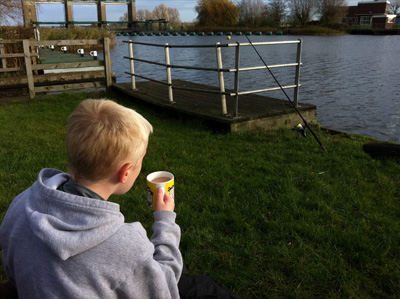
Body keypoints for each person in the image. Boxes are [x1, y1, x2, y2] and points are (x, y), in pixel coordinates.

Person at [0, 99, 182, 298]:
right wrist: (165, 220)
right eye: (141, 159)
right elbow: (165, 289)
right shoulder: (127, 247)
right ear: (125, 172)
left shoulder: (21, 205)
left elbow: (13, 272)